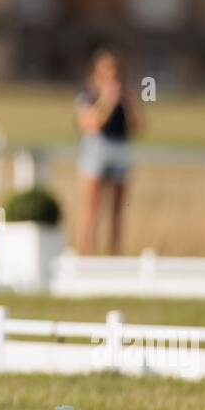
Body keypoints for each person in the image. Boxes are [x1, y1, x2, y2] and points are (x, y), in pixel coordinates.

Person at [75, 47, 140, 255]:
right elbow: (91, 124)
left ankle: (114, 257)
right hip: (96, 149)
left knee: (117, 213)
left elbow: (137, 127)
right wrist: (106, 101)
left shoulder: (125, 97)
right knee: (91, 212)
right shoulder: (88, 97)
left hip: (120, 149)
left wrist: (129, 104)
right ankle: (87, 255)